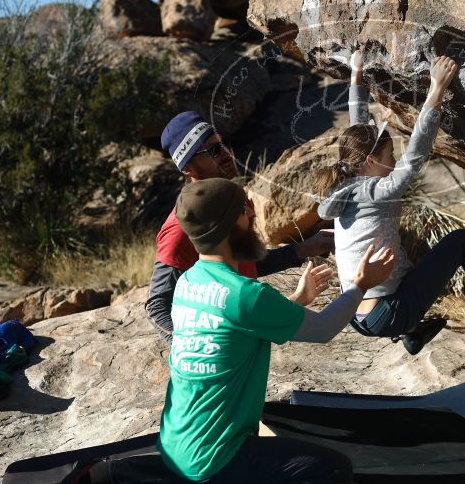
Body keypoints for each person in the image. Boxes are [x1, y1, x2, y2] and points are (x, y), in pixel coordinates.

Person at [314, 50, 465, 355]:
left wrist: (356, 77)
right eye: (390, 156)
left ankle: (412, 331)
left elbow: (358, 130)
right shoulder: (378, 191)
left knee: (398, 251)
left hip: (355, 314)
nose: (395, 160)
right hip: (387, 312)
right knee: (459, 244)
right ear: (372, 161)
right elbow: (416, 152)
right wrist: (436, 89)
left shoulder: (347, 183)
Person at [157, 178, 394, 483]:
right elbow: (323, 329)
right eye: (245, 209)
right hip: (215, 460)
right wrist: (362, 284)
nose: (254, 214)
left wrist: (296, 301)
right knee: (333, 468)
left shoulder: (188, 283)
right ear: (228, 225)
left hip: (175, 448)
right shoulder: (245, 295)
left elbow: (238, 329)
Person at [146, 111, 334, 343]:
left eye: (223, 145)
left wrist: (308, 247)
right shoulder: (180, 229)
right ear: (188, 169)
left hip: (245, 335)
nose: (225, 154)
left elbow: (247, 263)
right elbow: (157, 306)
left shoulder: (234, 199)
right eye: (213, 151)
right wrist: (194, 350)